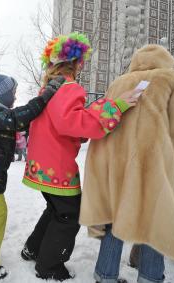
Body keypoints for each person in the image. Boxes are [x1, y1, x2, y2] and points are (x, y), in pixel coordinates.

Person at [20, 32, 138, 281]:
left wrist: (92, 117)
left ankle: (34, 248)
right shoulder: (69, 87)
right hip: (58, 167)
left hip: (42, 164)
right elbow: (74, 122)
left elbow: (62, 123)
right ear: (75, 61)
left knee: (55, 210)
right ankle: (49, 266)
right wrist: (115, 106)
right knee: (69, 216)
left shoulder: (49, 89)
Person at [79, 45, 174, 282]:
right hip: (153, 163)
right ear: (166, 60)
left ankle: (105, 274)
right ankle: (150, 277)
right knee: (154, 219)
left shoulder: (119, 82)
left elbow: (107, 120)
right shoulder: (173, 79)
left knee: (115, 217)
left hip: (116, 162)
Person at [0, 71, 65, 280]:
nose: (15, 97)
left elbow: (20, 120)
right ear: (2, 93)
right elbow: (16, 118)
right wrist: (45, 96)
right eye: (13, 92)